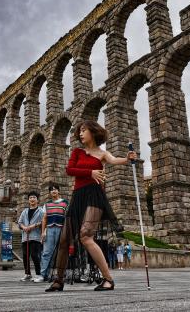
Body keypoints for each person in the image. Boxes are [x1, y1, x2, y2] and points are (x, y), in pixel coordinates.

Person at [46, 120, 136, 292]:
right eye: (79, 131)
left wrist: (127, 159)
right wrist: (90, 172)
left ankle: (108, 280)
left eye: (84, 130)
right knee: (64, 239)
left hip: (95, 196)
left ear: (93, 132)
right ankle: (58, 280)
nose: (80, 133)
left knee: (86, 236)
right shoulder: (77, 152)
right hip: (78, 196)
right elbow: (69, 170)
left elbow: (114, 160)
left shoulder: (102, 154)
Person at [35, 185, 69, 283]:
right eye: (51, 190)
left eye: (55, 189)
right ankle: (43, 275)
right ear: (49, 193)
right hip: (49, 229)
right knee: (46, 252)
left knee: (61, 252)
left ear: (58, 191)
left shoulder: (65, 203)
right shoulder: (47, 204)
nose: (53, 191)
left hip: (61, 229)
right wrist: (43, 232)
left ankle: (60, 275)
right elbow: (44, 218)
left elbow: (67, 217)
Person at [18, 191, 44, 282]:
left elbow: (43, 222)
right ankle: (27, 274)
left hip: (35, 237)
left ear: (37, 200)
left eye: (34, 197)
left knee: (35, 255)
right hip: (25, 237)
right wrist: (24, 227)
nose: (32, 199)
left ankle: (39, 274)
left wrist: (34, 226)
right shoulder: (25, 211)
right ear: (28, 200)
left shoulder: (41, 211)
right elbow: (20, 222)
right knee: (25, 256)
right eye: (30, 198)